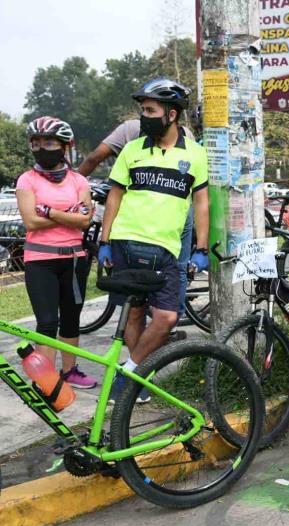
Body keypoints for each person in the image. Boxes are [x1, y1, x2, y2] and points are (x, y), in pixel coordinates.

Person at [98, 79, 210, 402]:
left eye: (150, 110)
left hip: (167, 250)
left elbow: (201, 203)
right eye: (143, 109)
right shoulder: (132, 150)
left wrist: (201, 248)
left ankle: (130, 371)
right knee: (133, 313)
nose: (143, 116)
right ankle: (139, 388)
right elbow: (114, 197)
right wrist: (104, 241)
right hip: (125, 243)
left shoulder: (196, 155)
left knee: (166, 317)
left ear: (172, 115)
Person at [78, 103, 197, 325]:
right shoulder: (183, 133)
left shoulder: (128, 130)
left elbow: (95, 158)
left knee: (134, 274)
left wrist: (72, 183)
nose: (145, 115)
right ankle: (170, 322)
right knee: (178, 267)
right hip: (178, 213)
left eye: (148, 110)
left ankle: (141, 326)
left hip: (142, 220)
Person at [16, 117, 97, 389]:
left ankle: (70, 371)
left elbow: (85, 221)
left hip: (74, 259)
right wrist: (69, 214)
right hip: (40, 261)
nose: (42, 148)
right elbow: (31, 222)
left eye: (49, 142)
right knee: (48, 322)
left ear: (65, 146)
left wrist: (49, 211)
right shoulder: (27, 180)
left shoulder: (78, 180)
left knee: (71, 319)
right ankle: (47, 381)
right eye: (36, 143)